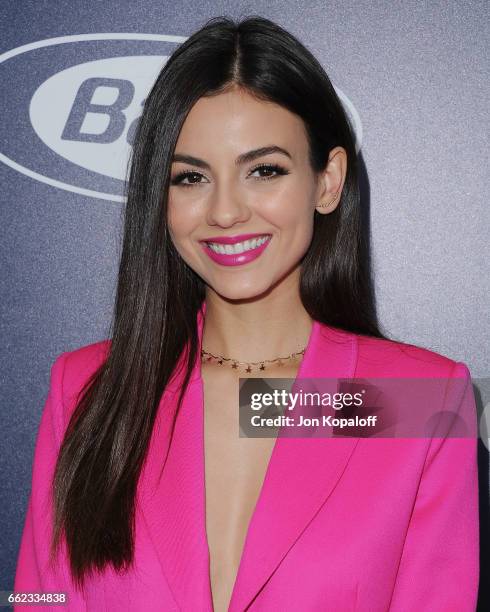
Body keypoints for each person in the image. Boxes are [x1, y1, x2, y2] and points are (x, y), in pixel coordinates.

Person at [14, 16, 479, 612]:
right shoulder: (87, 390)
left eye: (264, 170)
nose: (226, 211)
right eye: (190, 177)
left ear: (327, 181)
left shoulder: (414, 399)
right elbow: (38, 597)